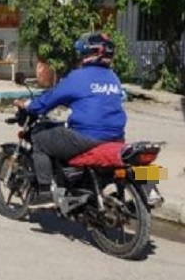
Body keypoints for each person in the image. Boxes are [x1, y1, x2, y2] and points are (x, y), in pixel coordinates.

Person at [14, 32, 126, 206]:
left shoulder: (79, 77)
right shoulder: (113, 78)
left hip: (87, 137)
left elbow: (51, 98)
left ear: (89, 55)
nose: (80, 58)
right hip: (116, 137)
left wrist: (29, 105)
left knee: (39, 137)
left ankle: (44, 193)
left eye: (82, 54)